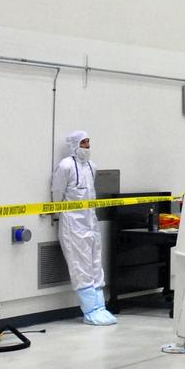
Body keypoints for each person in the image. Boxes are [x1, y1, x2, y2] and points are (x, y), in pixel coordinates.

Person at [51, 130, 117, 326]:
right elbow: (57, 192)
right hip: (73, 224)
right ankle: (90, 311)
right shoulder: (65, 166)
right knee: (80, 266)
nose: (87, 146)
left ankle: (100, 307)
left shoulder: (91, 166)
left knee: (95, 263)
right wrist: (56, 214)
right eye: (83, 142)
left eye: (88, 142)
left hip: (90, 221)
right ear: (74, 145)